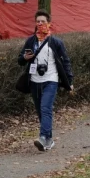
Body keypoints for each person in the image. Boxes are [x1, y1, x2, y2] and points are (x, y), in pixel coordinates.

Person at [19, 10, 74, 151]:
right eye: (37, 21)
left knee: (45, 108)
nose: (40, 24)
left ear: (49, 23)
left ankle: (43, 137)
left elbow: (65, 62)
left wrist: (70, 81)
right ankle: (49, 140)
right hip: (34, 81)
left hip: (51, 80)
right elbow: (20, 60)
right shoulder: (31, 41)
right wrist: (24, 57)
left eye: (43, 21)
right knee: (40, 111)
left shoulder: (55, 42)